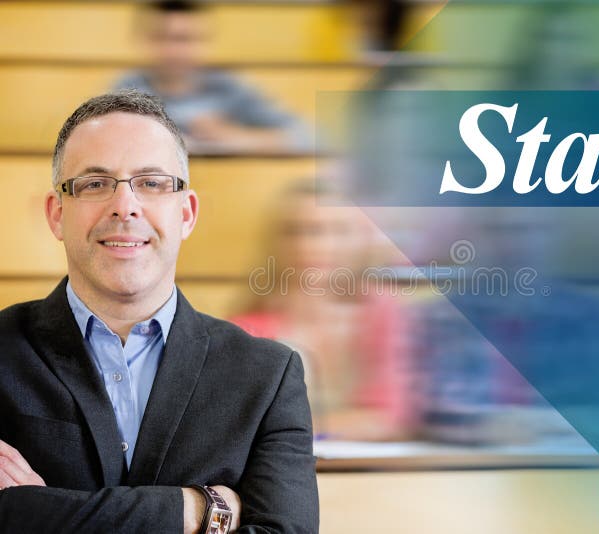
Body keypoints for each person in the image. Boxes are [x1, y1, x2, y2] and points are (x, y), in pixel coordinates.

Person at [0, 90, 318, 533]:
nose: (125, 205)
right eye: (95, 183)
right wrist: (197, 511)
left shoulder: (267, 376)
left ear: (186, 213)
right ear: (57, 214)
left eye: (151, 183)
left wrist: (40, 513)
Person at [230, 181, 415, 442]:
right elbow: (241, 427)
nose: (313, 245)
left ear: (360, 241)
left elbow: (392, 419)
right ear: (276, 242)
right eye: (297, 231)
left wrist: (296, 429)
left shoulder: (384, 313)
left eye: (336, 231)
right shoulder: (245, 331)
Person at [114, 0, 312, 155]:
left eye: (185, 39)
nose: (173, 50)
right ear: (143, 40)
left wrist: (233, 137)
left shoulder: (231, 88)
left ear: (205, 41)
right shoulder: (127, 88)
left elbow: (304, 138)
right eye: (161, 37)